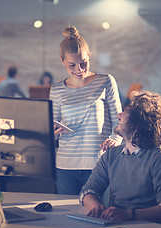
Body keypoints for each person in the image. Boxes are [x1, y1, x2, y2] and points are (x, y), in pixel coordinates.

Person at [79, 91, 161, 225]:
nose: (118, 115)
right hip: (116, 225)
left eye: (125, 112)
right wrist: (97, 207)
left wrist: (129, 214)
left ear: (139, 123)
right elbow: (87, 191)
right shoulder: (111, 155)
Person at [50, 26, 122, 195]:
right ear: (62, 61)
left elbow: (119, 121)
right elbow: (51, 130)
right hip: (65, 165)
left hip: (99, 164)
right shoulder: (56, 90)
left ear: (89, 56)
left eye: (83, 63)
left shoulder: (105, 81)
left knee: (99, 216)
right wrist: (51, 133)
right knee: (65, 217)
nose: (79, 69)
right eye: (71, 65)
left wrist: (115, 139)